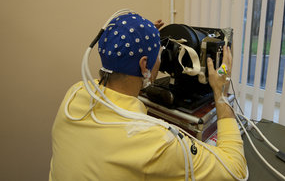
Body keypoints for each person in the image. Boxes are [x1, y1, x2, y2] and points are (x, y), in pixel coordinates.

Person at [49, 11, 247, 181]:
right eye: (158, 56)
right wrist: (220, 93)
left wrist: (139, 41)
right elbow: (235, 171)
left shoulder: (74, 94)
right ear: (144, 65)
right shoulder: (155, 141)